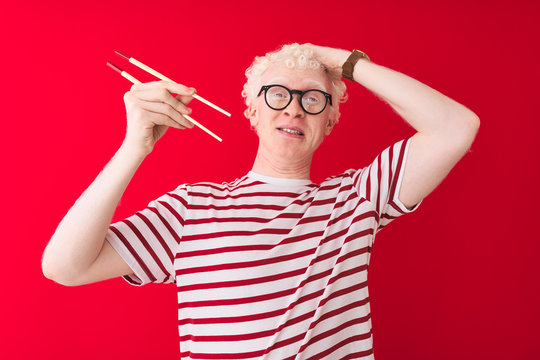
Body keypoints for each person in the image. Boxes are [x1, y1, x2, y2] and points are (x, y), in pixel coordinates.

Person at [42, 43, 480, 359]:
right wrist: (133, 148)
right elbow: (65, 267)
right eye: (277, 94)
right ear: (252, 110)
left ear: (329, 122)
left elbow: (456, 127)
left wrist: (339, 61)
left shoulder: (358, 198)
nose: (293, 109)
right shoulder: (192, 207)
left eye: (312, 98)